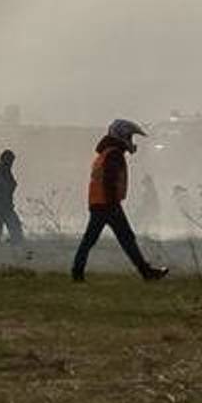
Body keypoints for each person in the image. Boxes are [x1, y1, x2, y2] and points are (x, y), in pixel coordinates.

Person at [71, 120, 168, 282]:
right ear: (122, 135)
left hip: (99, 203)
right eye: (130, 136)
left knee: (92, 240)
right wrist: (113, 204)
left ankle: (77, 273)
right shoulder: (114, 154)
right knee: (126, 238)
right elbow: (109, 181)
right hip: (107, 203)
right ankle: (147, 273)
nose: (131, 140)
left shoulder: (106, 152)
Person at [0, 148, 24, 246]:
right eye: (10, 161)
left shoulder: (6, 173)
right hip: (1, 208)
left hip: (6, 207)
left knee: (15, 233)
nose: (11, 164)